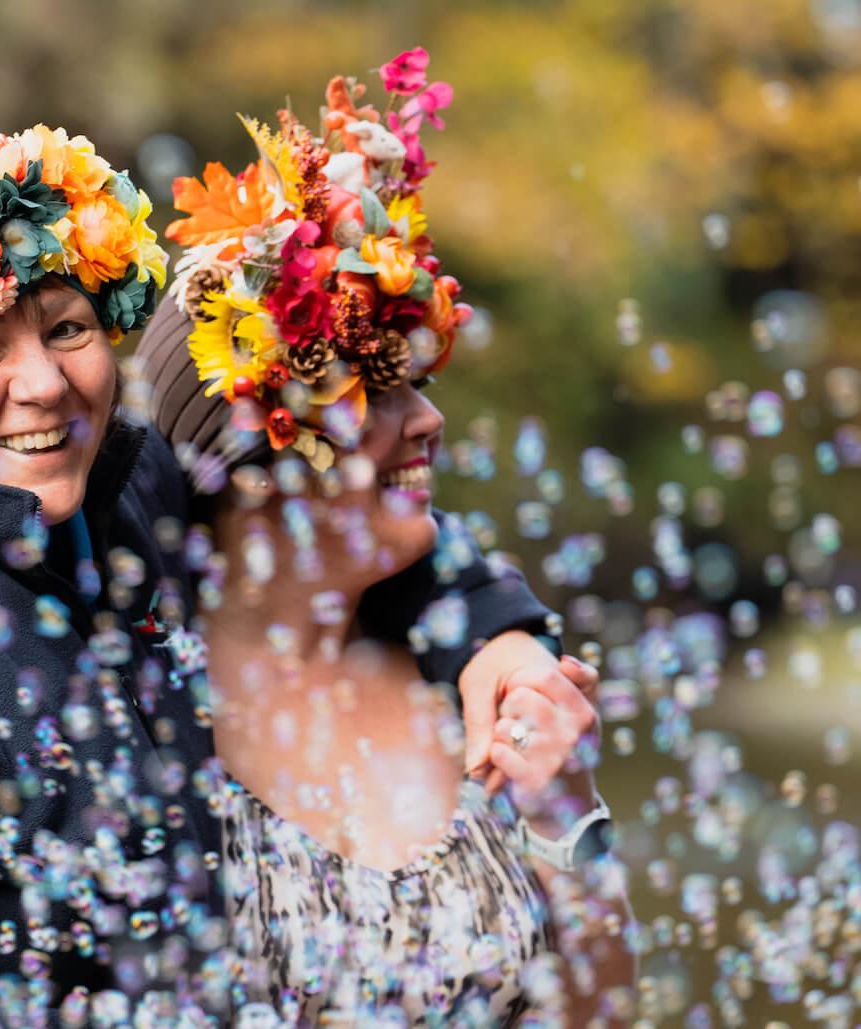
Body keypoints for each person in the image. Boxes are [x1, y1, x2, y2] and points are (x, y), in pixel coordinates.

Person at [0, 124, 581, 1028]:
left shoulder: (106, 482)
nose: (42, 383)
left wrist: (492, 633)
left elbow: (335, 527)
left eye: (67, 329)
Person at [132, 53, 635, 1024]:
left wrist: (566, 813)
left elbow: (605, 1012)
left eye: (420, 383)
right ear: (250, 447)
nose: (427, 421)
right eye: (370, 390)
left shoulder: (474, 677)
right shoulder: (141, 720)